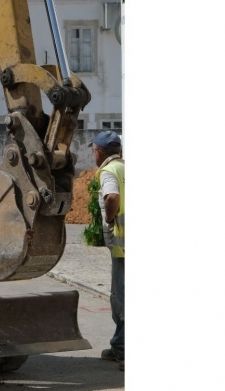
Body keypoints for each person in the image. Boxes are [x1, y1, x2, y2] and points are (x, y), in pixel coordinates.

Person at [91, 130, 125, 371]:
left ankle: (121, 349)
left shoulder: (108, 171)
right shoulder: (126, 167)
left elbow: (111, 196)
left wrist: (110, 220)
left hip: (124, 246)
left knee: (121, 299)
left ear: (98, 152)